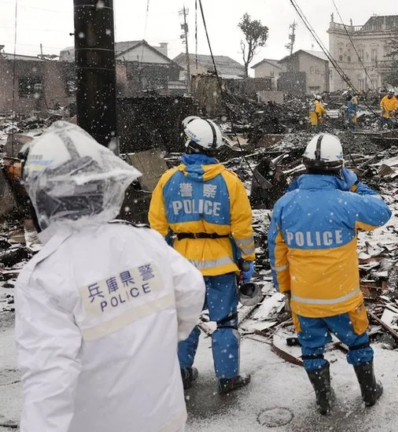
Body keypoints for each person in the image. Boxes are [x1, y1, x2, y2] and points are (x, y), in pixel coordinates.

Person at [15, 121, 206, 432]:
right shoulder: (145, 243)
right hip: (166, 419)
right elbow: (192, 289)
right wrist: (162, 336)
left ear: (42, 198)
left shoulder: (45, 277)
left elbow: (47, 384)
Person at [268, 133, 392, 415]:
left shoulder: (285, 204)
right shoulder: (347, 202)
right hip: (343, 299)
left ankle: (324, 399)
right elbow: (382, 212)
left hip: (305, 299)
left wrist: (285, 289)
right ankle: (370, 391)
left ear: (304, 165)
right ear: (339, 167)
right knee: (358, 342)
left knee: (312, 350)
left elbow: (277, 254)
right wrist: (357, 185)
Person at [149, 116, 255, 394]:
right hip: (221, 265)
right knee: (226, 321)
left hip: (182, 265)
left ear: (188, 143)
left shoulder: (168, 180)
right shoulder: (230, 183)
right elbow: (243, 229)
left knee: (185, 320)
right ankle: (228, 378)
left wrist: (161, 264)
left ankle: (181, 373)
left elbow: (157, 229)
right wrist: (247, 262)